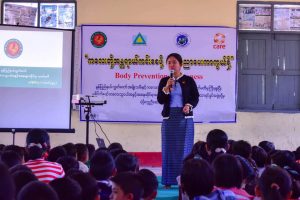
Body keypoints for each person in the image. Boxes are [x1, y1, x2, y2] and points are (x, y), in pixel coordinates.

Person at [157, 53, 199, 187]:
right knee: (168, 149)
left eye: (174, 62)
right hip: (169, 118)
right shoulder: (164, 81)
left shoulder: (189, 80)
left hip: (184, 118)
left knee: (185, 150)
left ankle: (184, 180)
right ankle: (168, 181)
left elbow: (195, 97)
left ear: (180, 64)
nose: (171, 65)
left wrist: (188, 105)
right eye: (169, 62)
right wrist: (166, 88)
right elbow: (160, 100)